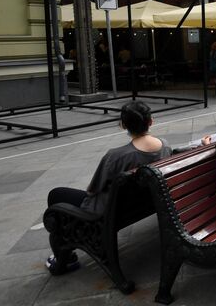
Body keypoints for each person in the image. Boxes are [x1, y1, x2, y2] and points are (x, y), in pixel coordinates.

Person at [45, 101, 171, 271]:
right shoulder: (165, 146)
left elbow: (93, 189)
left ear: (123, 125)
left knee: (56, 195)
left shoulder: (116, 156)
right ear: (151, 121)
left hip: (110, 211)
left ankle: (65, 259)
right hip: (143, 204)